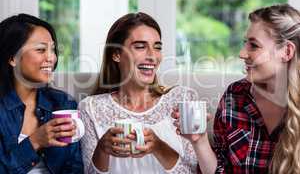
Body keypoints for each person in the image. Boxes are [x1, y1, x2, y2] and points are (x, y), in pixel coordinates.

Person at [172, 3, 300, 174]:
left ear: (286, 51)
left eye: (254, 45)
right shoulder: (235, 95)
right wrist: (199, 140)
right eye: (245, 43)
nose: (242, 53)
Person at [78, 12, 199, 174]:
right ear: (116, 54)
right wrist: (102, 150)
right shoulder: (90, 108)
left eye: (157, 47)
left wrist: (158, 146)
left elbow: (194, 171)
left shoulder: (182, 99)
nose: (152, 56)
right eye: (140, 46)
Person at [0, 14, 83, 174]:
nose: (52, 58)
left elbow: (75, 167)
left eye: (53, 50)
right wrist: (35, 141)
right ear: (12, 58)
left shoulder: (63, 103)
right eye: (41, 50)